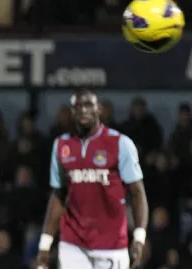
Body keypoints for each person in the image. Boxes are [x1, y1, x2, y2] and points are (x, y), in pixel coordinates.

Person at [36, 89, 149, 269]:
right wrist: (45, 243)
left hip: (111, 243)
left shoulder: (120, 143)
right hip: (72, 243)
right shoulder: (61, 145)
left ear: (99, 109)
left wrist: (139, 237)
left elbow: (138, 193)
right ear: (72, 112)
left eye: (88, 105)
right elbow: (58, 194)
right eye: (78, 106)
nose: (83, 110)